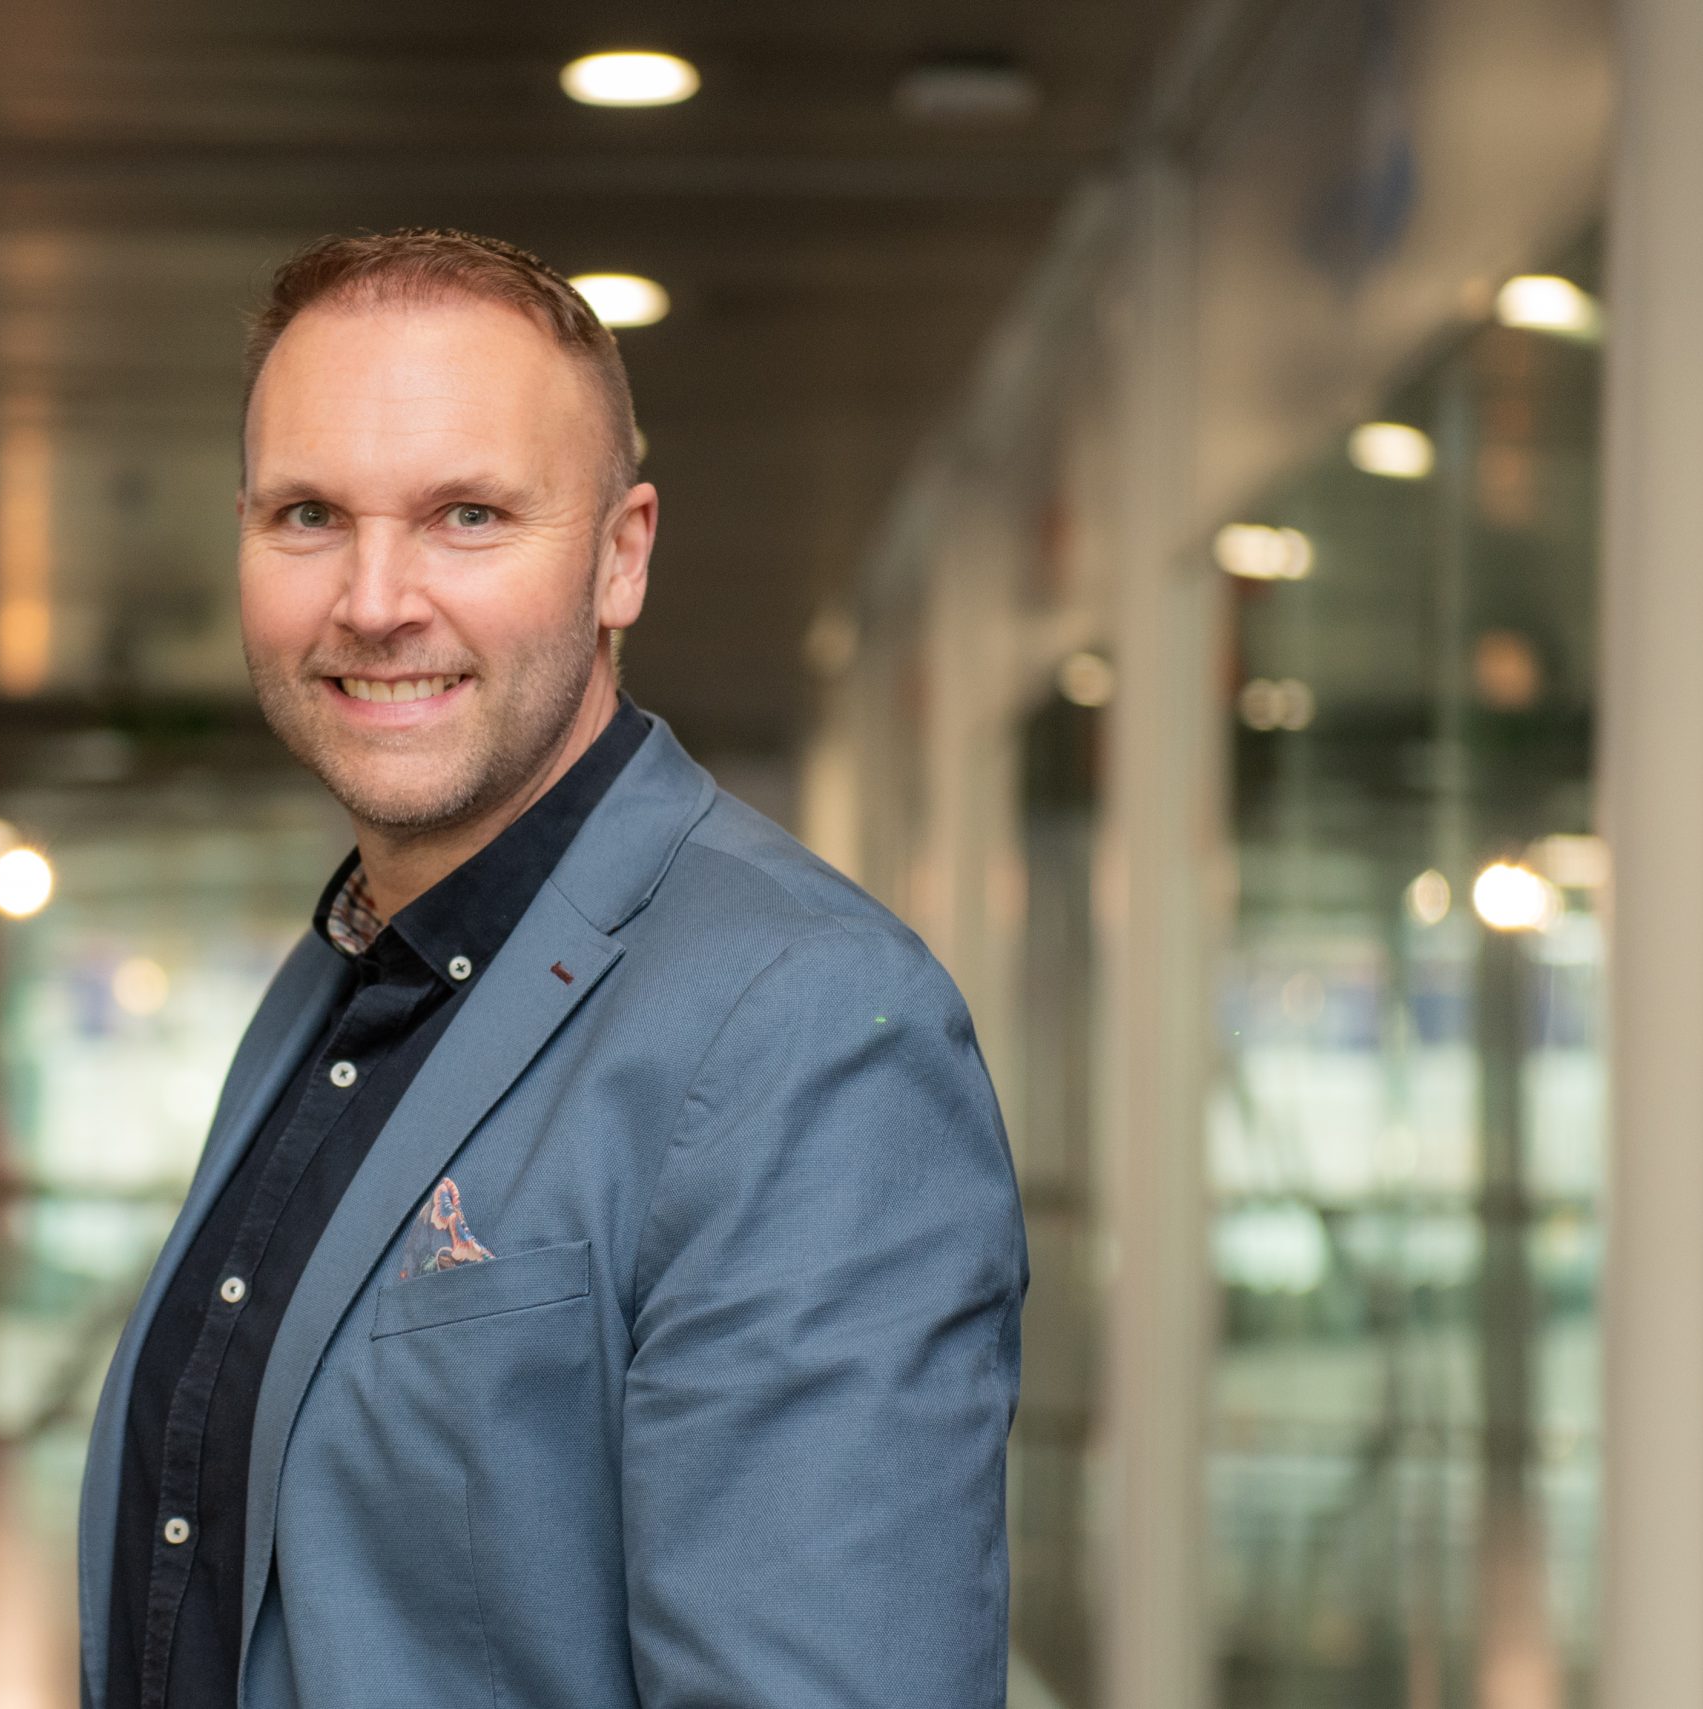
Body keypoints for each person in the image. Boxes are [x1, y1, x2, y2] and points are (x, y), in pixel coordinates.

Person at [76, 228, 1027, 1709]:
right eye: (309, 514)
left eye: (466, 515)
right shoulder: (336, 984)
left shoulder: (808, 1025)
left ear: (620, 555)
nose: (374, 599)